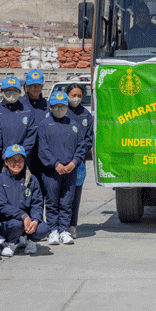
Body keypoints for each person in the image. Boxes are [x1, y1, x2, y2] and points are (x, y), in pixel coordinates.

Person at [37, 91, 88, 245]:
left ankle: (64, 230)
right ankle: (52, 230)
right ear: (50, 107)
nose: (60, 109)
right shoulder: (44, 125)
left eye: (63, 106)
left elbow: (81, 146)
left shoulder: (73, 124)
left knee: (67, 201)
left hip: (70, 169)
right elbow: (43, 149)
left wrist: (74, 162)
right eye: (56, 106)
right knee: (52, 202)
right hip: (52, 171)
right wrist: (55, 164)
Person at [0, 144, 48, 256]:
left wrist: (35, 220)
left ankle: (30, 241)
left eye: (20, 160)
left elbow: (37, 204)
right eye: (12, 160)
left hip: (27, 221)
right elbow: (1, 205)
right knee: (17, 224)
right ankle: (11, 243)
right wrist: (23, 215)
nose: (17, 163)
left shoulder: (32, 179)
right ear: (6, 162)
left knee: (43, 228)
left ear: (24, 161)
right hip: (8, 221)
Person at [0, 76, 36, 176]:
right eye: (8, 90)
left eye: (15, 90)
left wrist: (19, 156)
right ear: (1, 92)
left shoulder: (27, 112)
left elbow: (30, 137)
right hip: (0, 162)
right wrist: (3, 156)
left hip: (20, 162)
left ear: (20, 92)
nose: (11, 93)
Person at [65, 83, 93, 239]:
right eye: (73, 95)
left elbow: (89, 140)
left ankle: (72, 226)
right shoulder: (61, 111)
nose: (75, 99)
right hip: (61, 161)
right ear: (67, 94)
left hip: (78, 163)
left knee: (75, 196)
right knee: (60, 197)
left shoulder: (85, 115)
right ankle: (57, 226)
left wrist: (76, 158)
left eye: (79, 96)